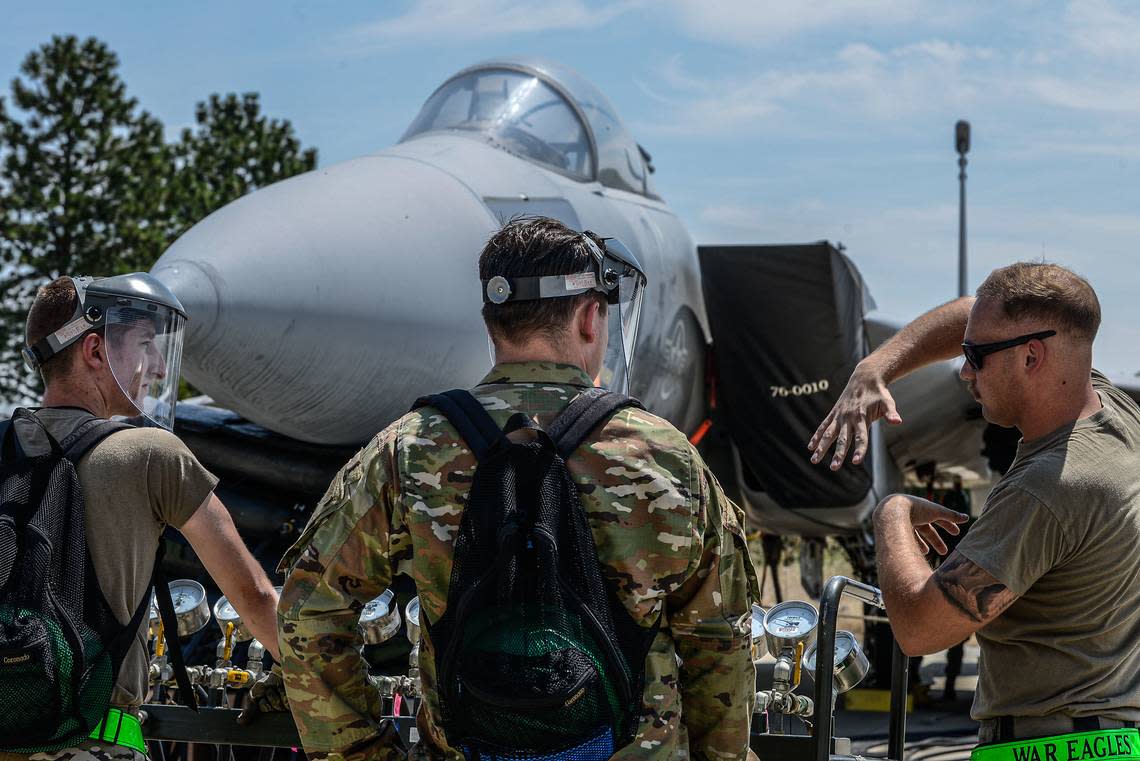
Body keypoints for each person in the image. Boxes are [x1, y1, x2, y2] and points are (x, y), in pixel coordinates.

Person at [278, 217, 759, 760]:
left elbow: (307, 612)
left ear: (492, 324)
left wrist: (365, 753)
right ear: (589, 317)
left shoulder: (405, 450)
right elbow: (720, 640)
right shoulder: (667, 457)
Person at [808, 262, 1140, 747]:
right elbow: (974, 313)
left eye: (976, 356)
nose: (964, 370)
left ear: (1031, 358)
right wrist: (873, 368)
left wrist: (892, 513)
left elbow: (920, 630)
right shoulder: (1114, 413)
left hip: (1041, 747)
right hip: (1111, 739)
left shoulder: (1046, 488)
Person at [6, 273, 281, 761]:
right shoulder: (153, 453)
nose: (156, 366)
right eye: (146, 343)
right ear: (93, 350)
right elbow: (255, 597)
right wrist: (332, 692)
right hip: (95, 744)